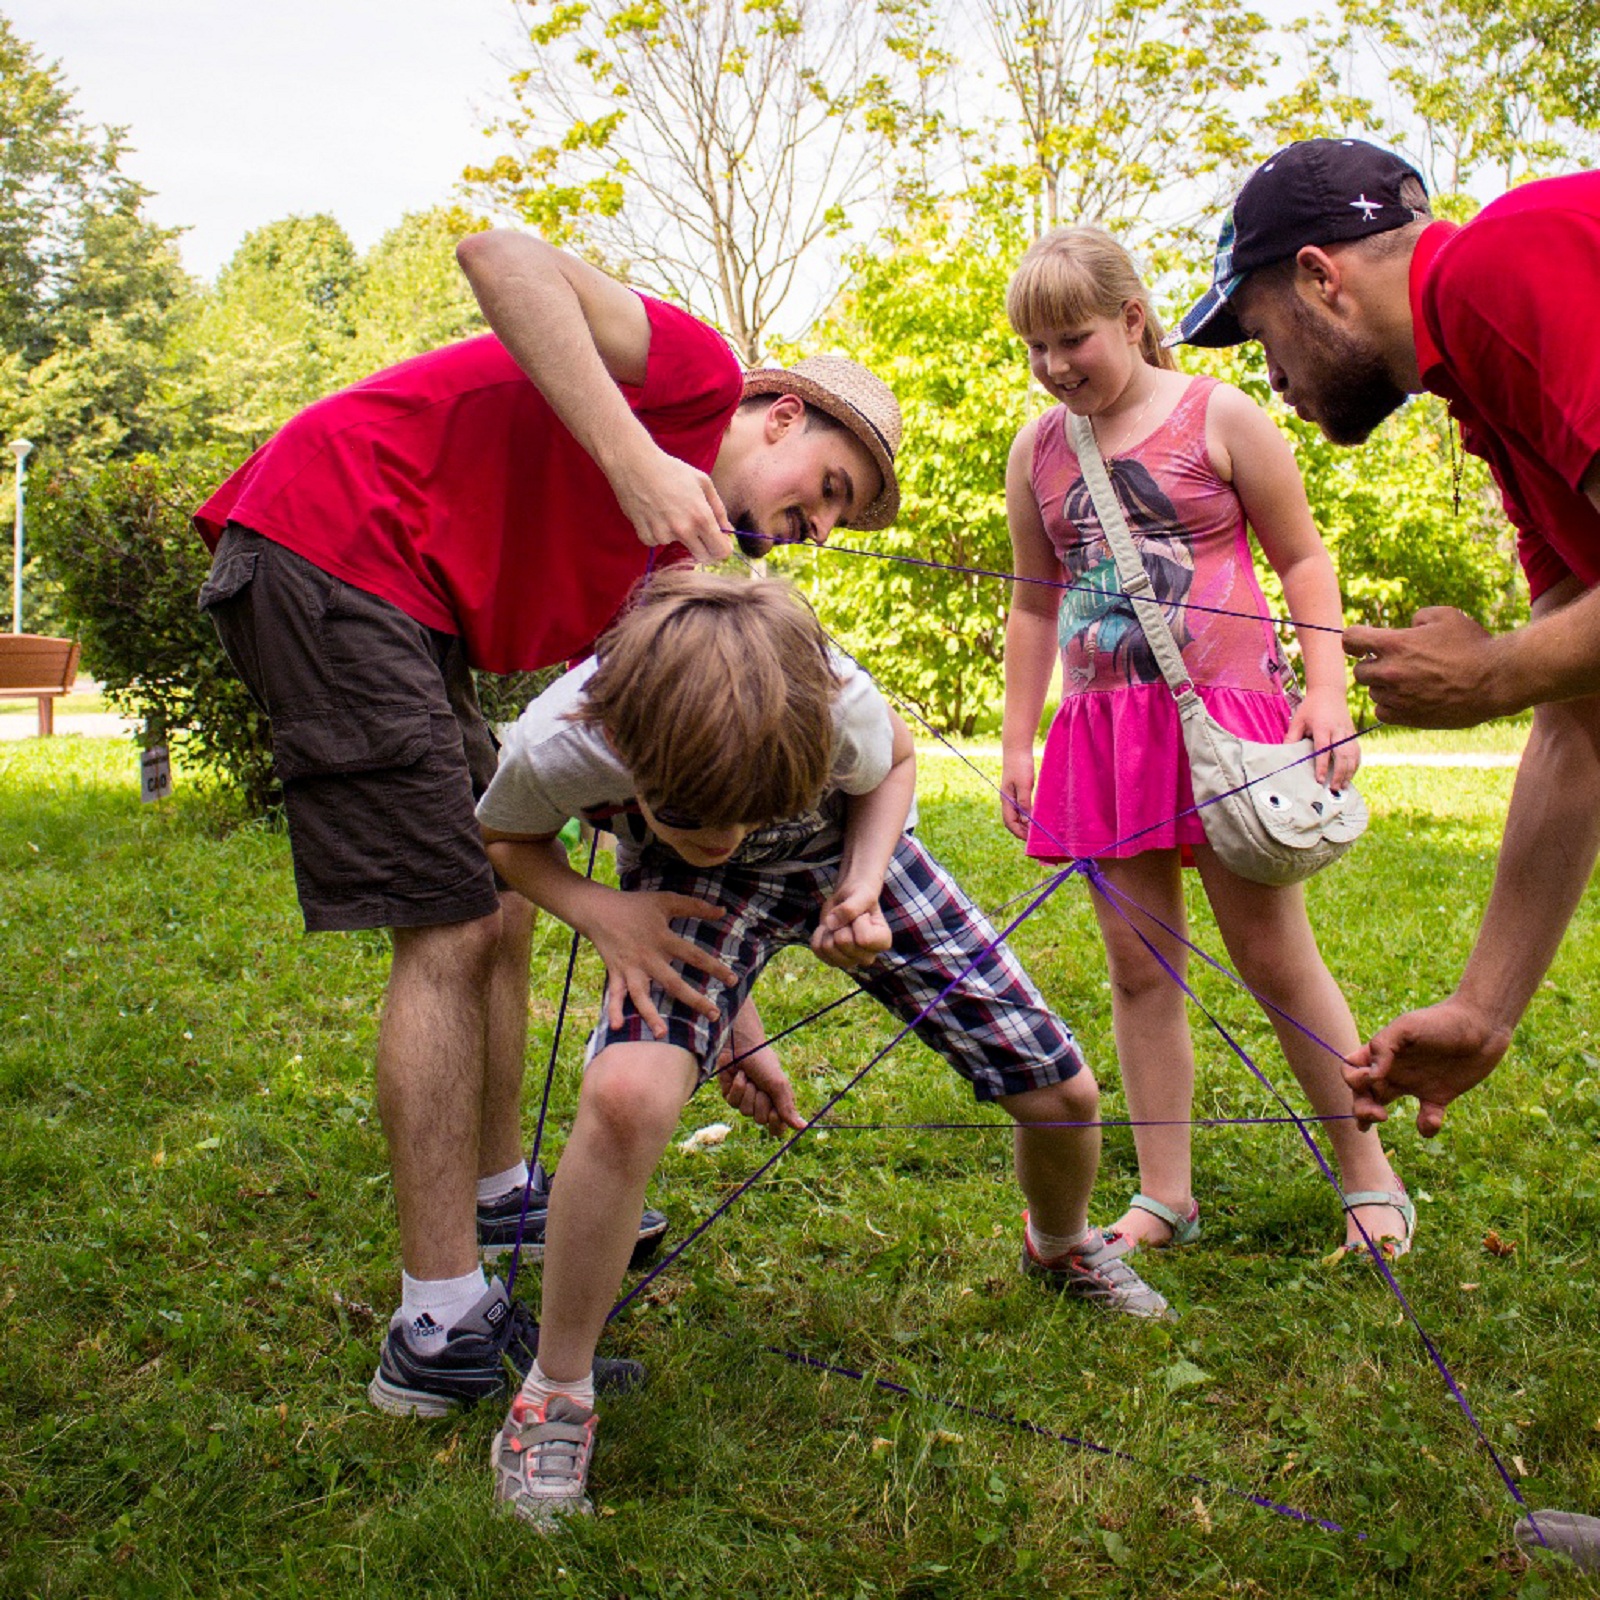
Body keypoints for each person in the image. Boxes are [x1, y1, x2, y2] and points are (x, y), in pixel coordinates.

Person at [192, 226, 904, 1419]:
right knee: (453, 927)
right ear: (779, 415)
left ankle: (499, 1191)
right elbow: (499, 256)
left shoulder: (656, 589)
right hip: (336, 542)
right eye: (825, 490)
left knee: (504, 910)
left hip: (411, 609)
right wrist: (631, 454)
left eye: (833, 524)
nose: (810, 528)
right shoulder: (689, 375)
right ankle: (437, 1327)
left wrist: (729, 1016)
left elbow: (619, 810)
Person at [475, 567, 1170, 1525]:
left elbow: (890, 765)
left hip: (844, 854)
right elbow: (507, 841)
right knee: (627, 1098)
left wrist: (863, 883)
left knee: (1061, 1092)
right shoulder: (570, 733)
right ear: (625, 749)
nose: (724, 836)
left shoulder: (837, 700)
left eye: (748, 812)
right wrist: (606, 915)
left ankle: (1060, 1245)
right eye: (691, 812)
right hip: (675, 899)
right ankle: (554, 1393)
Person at [1168, 135, 1600, 1572]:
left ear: (1321, 279)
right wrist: (1483, 1008)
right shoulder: (1489, 394)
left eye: (1261, 335)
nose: (1267, 374)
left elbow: (1533, 679)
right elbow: (1580, 715)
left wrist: (1497, 672)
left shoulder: (1507, 266)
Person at [999, 226, 1411, 1259]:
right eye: (1034, 348)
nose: (1054, 366)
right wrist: (1019, 741)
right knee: (1140, 971)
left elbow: (1302, 558)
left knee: (1273, 958)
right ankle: (1165, 1191)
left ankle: (1366, 1171)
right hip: (1104, 734)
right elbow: (1031, 608)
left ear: (1131, 320)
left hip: (1226, 722)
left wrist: (1324, 689)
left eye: (1072, 338)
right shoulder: (1039, 450)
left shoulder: (1213, 415)